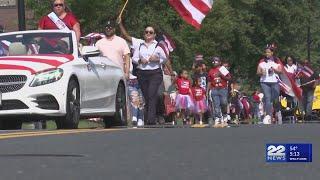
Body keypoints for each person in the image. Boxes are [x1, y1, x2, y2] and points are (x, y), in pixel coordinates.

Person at [256, 45, 282, 124]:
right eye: (266, 52)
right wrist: (261, 72)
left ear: (272, 53)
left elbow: (280, 71)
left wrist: (274, 69)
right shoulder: (262, 61)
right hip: (265, 82)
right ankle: (268, 116)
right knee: (268, 98)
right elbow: (257, 72)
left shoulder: (277, 61)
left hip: (275, 82)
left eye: (269, 52)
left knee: (275, 99)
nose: (267, 54)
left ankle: (278, 112)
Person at [208, 57, 232, 127]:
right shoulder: (211, 71)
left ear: (219, 62)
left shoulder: (222, 69)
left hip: (223, 89)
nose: (214, 62)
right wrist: (207, 91)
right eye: (213, 61)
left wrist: (221, 75)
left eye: (216, 61)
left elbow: (229, 78)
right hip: (214, 89)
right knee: (216, 105)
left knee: (224, 103)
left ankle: (224, 116)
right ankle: (217, 118)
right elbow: (209, 82)